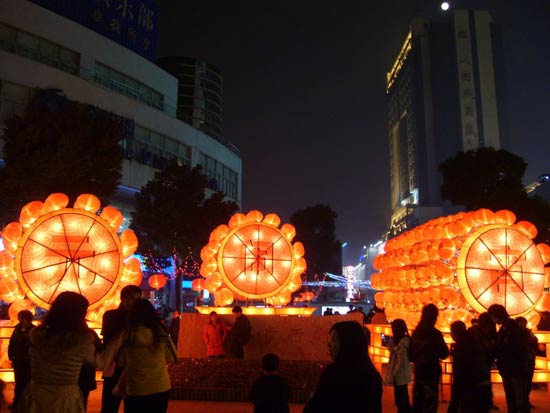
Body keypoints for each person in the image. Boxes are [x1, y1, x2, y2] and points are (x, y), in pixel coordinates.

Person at [16, 292, 95, 413]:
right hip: (65, 397)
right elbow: (99, 363)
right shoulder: (82, 341)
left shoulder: (37, 336)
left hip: (37, 394)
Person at [303, 320, 383, 413]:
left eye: (333, 340)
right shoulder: (373, 376)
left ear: (346, 344)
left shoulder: (334, 374)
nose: (329, 345)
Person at [115, 298, 177, 413]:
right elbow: (172, 357)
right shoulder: (161, 333)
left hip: (135, 387)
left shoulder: (127, 335)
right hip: (160, 386)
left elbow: (120, 361)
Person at [100, 285, 141, 413]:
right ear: (123, 299)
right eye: (132, 298)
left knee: (132, 406)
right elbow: (107, 340)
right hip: (114, 366)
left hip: (132, 368)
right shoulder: (111, 315)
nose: (134, 302)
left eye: (137, 299)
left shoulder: (139, 318)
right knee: (110, 405)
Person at [487, 304, 529, 413]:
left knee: (516, 398)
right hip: (510, 368)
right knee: (515, 398)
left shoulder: (511, 330)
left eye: (493, 317)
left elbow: (515, 348)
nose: (494, 321)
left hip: (513, 368)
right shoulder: (508, 328)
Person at [409, 303, 449, 413]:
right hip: (431, 373)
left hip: (419, 372)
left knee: (418, 403)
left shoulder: (416, 333)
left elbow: (410, 355)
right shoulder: (435, 334)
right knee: (430, 405)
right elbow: (444, 353)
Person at [448, 321, 491, 413]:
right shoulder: (473, 341)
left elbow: (460, 370)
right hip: (481, 383)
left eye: (451, 332)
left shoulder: (461, 346)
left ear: (456, 333)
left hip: (470, 385)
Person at [8, 310, 34, 410]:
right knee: (18, 383)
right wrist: (11, 356)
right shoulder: (17, 329)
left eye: (22, 317)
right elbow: (12, 343)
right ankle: (17, 403)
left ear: (28, 319)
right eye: (19, 317)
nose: (20, 320)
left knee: (27, 383)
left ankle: (27, 404)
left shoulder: (33, 330)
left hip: (28, 362)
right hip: (17, 360)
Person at [385, 319, 412, 413]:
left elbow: (402, 359)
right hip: (401, 374)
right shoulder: (403, 341)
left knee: (401, 397)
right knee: (401, 396)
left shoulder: (403, 342)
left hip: (400, 374)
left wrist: (395, 373)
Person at [515, 316, 538, 409]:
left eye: (524, 323)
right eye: (521, 323)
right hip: (520, 361)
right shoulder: (517, 333)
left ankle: (525, 400)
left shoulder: (528, 332)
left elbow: (534, 340)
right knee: (521, 383)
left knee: (527, 383)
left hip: (529, 359)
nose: (523, 325)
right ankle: (521, 402)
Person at [78, 328, 102, 412]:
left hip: (71, 375)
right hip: (86, 373)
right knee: (83, 400)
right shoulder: (89, 334)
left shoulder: (62, 334)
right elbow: (99, 347)